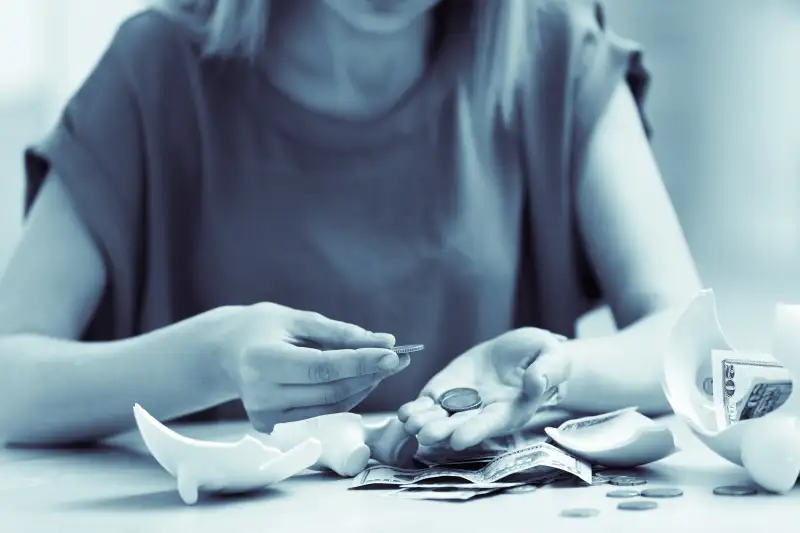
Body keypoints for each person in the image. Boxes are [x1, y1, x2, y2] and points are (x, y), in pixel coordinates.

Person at [0, 0, 701, 449]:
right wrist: (212, 358)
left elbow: (683, 339)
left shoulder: (556, 54)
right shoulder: (155, 68)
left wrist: (551, 376)